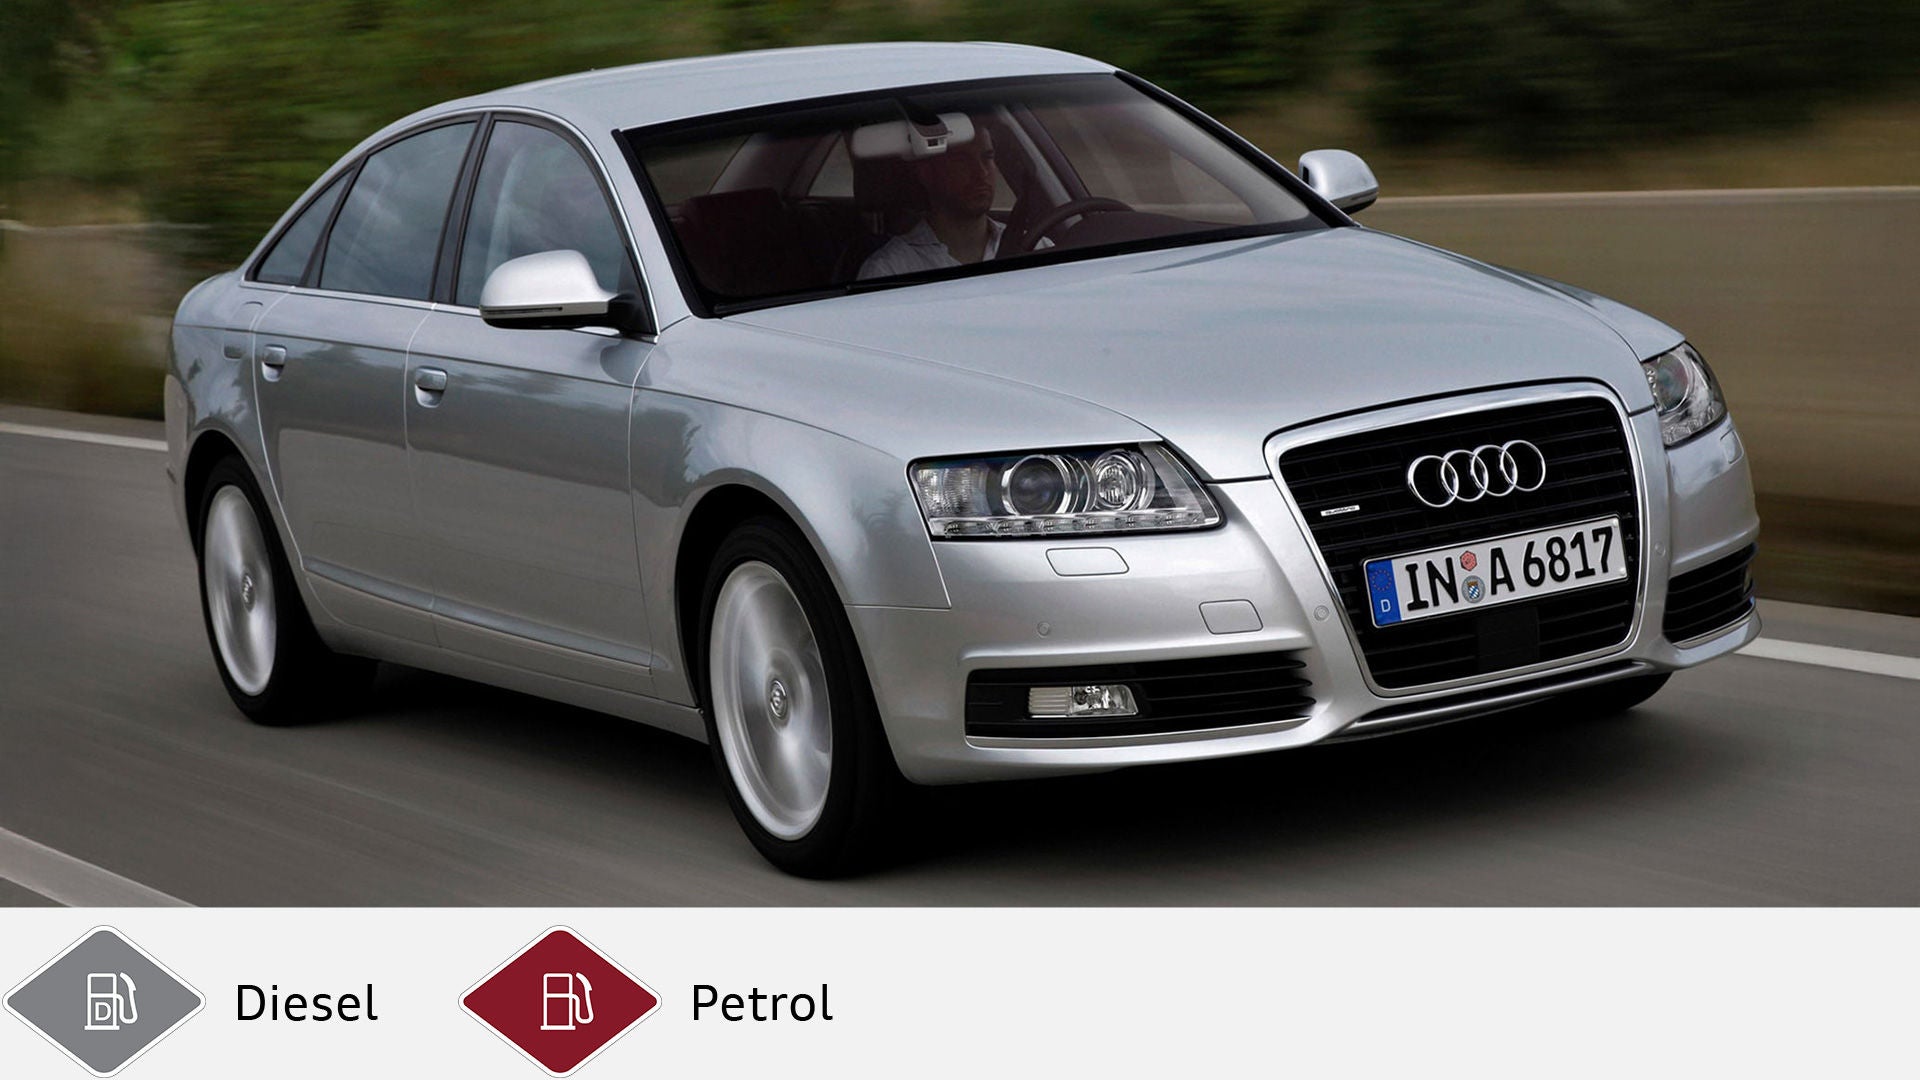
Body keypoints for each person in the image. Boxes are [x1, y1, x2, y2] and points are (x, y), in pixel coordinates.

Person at [858, 124, 1043, 280]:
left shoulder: (1035, 247)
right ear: (927, 173)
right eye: (962, 160)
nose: (981, 172)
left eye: (987, 157)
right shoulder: (890, 270)